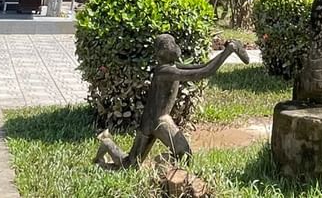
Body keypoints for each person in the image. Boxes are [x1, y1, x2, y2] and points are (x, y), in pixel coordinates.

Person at [95, 34, 249, 169]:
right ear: (162, 52)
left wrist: (226, 51)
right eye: (172, 45)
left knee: (133, 162)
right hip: (157, 122)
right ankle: (112, 146)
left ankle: (109, 144)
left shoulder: (171, 66)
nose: (177, 47)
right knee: (139, 162)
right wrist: (229, 51)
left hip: (156, 120)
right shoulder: (165, 72)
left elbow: (205, 66)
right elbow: (203, 73)